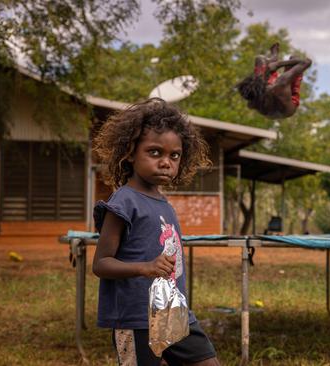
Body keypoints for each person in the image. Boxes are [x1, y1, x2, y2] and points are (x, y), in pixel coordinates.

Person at [91, 98, 220, 366]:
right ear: (130, 152)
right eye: (154, 152)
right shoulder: (122, 202)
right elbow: (101, 264)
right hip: (136, 318)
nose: (166, 162)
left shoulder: (164, 203)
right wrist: (145, 267)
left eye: (174, 155)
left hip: (173, 312)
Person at [237, 42, 312, 119]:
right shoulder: (282, 83)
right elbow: (306, 62)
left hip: (269, 107)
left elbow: (260, 80)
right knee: (294, 59)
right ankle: (273, 63)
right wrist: (279, 64)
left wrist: (271, 66)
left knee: (259, 59)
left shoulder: (252, 102)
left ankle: (273, 59)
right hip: (288, 109)